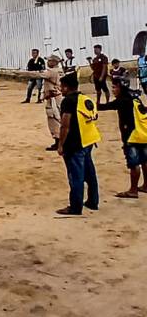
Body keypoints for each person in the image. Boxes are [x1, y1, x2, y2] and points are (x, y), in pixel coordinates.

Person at [56, 73, 100, 215]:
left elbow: (65, 125)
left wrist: (61, 144)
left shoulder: (68, 101)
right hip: (89, 140)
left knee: (76, 176)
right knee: (90, 173)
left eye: (61, 87)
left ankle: (75, 207)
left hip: (75, 143)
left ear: (66, 87)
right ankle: (93, 201)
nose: (60, 90)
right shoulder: (85, 99)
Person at [97, 80, 147, 198]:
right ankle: (146, 185)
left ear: (120, 88)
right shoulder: (135, 99)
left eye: (114, 87)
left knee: (134, 163)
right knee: (145, 161)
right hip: (144, 134)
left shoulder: (121, 101)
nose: (113, 90)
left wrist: (98, 96)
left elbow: (101, 107)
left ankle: (133, 190)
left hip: (131, 136)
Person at [15, 55, 64, 150]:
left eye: (49, 61)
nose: (48, 62)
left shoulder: (52, 71)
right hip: (56, 97)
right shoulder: (59, 70)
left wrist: (22, 73)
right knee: (57, 118)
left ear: (54, 62)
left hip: (53, 98)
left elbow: (37, 74)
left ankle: (58, 141)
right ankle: (59, 140)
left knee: (54, 120)